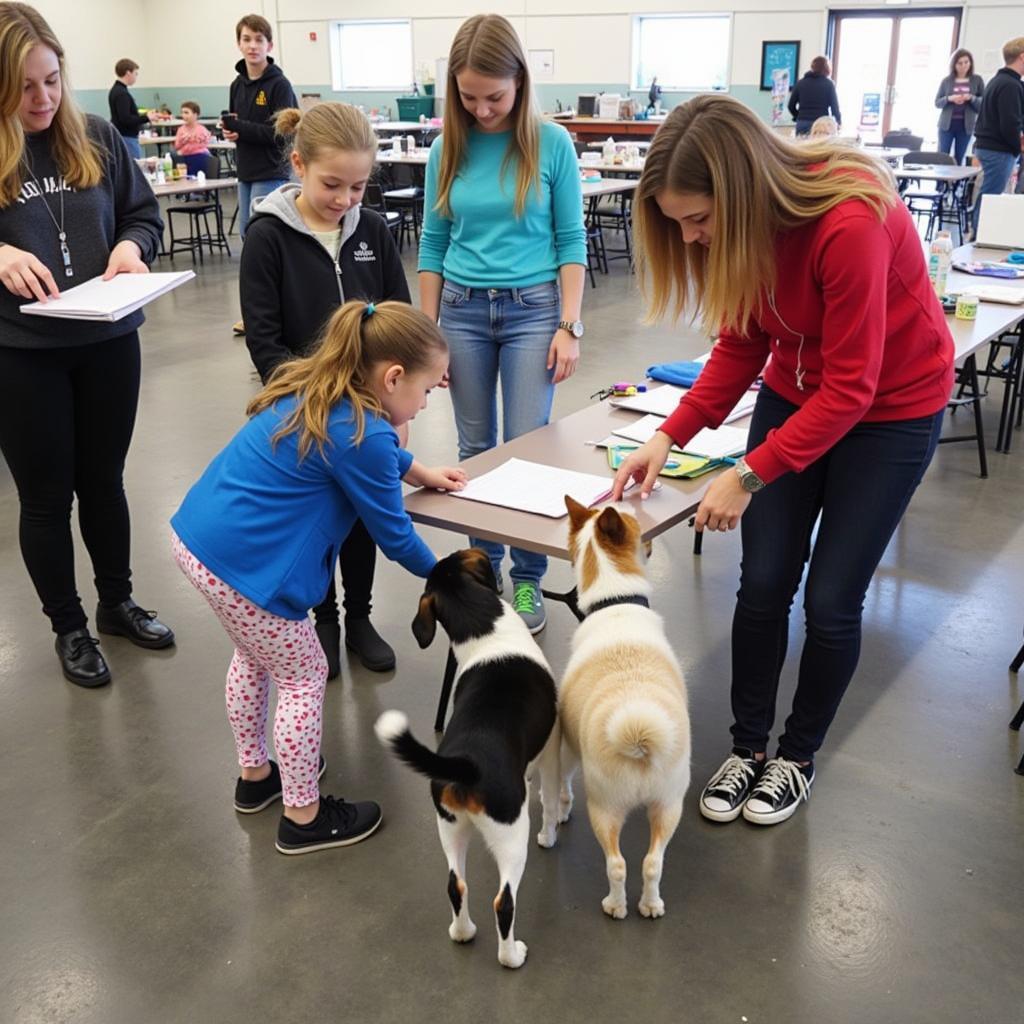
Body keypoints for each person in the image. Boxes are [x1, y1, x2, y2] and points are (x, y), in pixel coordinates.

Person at [611, 94, 954, 826]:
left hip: (891, 413)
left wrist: (746, 473)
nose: (693, 239)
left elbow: (854, 388)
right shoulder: (741, 237)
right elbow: (743, 343)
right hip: (796, 396)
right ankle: (747, 748)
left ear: (743, 192)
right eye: (679, 225)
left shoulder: (848, 220)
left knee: (831, 602)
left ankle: (795, 757)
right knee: (763, 582)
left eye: (699, 220)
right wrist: (668, 437)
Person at [170, 300, 465, 855]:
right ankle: (303, 816)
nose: (426, 404)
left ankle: (255, 778)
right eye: (426, 392)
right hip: (250, 575)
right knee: (304, 676)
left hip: (199, 544)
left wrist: (422, 470)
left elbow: (369, 452)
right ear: (393, 377)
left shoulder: (317, 385)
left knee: (253, 658)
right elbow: (395, 534)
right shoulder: (367, 434)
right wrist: (447, 577)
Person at [0, 3, 174, 688]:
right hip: (22, 353)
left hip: (107, 340)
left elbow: (142, 214)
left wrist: (133, 246)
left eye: (52, 81)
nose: (43, 99)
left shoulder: (97, 136)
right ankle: (68, 628)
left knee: (105, 481)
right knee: (46, 499)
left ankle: (116, 603)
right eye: (24, 88)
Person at [418, 13, 587, 634]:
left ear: (520, 83)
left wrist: (569, 324)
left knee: (528, 450)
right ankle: (481, 569)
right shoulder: (446, 148)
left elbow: (571, 240)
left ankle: (525, 581)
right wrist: (427, 336)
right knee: (474, 451)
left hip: (534, 311)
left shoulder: (552, 144)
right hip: (460, 310)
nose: (483, 109)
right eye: (468, 96)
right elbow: (433, 244)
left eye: (496, 96)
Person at [240, 102, 411, 678]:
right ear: (297, 166)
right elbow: (264, 341)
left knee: (362, 515)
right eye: (331, 184)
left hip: (369, 413)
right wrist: (313, 404)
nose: (344, 199)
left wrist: (394, 402)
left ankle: (359, 617)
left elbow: (398, 316)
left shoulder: (373, 231)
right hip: (306, 416)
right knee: (317, 523)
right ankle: (325, 623)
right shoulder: (267, 237)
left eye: (358, 186)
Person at [223, 12, 296, 334]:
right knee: (249, 243)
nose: (252, 46)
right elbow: (240, 126)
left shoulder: (279, 85)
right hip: (246, 172)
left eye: (258, 40)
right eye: (246, 39)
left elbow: (283, 133)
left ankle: (274, 316)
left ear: (269, 44)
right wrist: (232, 132)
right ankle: (255, 315)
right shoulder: (236, 85)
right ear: (239, 44)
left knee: (268, 244)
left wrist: (241, 128)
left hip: (272, 171)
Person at [972, 37, 1024, 236]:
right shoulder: (1010, 85)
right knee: (990, 197)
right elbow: (1010, 123)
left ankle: (978, 232)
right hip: (998, 149)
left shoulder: (1000, 80)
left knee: (987, 194)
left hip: (990, 146)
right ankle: (979, 235)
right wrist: (1016, 147)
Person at [934, 49, 984, 166]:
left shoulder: (977, 80)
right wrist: (949, 98)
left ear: (970, 63)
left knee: (959, 155)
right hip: (946, 125)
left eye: (966, 62)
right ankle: (940, 183)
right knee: (942, 155)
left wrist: (971, 97)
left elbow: (983, 103)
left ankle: (955, 183)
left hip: (966, 126)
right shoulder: (947, 81)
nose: (963, 66)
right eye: (960, 63)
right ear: (954, 65)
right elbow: (937, 102)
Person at [108, 58, 160, 159]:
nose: (136, 77)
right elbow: (126, 119)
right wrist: (147, 117)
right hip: (127, 137)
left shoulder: (116, 90)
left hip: (122, 136)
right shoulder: (122, 93)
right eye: (135, 74)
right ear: (128, 73)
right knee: (135, 167)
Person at [788, 56, 841, 136]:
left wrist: (799, 116)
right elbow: (835, 108)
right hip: (821, 125)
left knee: (801, 148)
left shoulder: (800, 83)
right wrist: (838, 122)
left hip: (802, 123)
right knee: (819, 148)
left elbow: (790, 106)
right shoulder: (829, 84)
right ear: (826, 69)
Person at [173, 100, 212, 177]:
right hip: (184, 159)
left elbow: (204, 143)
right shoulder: (181, 129)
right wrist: (183, 141)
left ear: (195, 114)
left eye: (186, 113)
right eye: (182, 113)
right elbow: (177, 147)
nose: (183, 115)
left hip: (199, 157)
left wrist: (193, 138)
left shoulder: (202, 129)